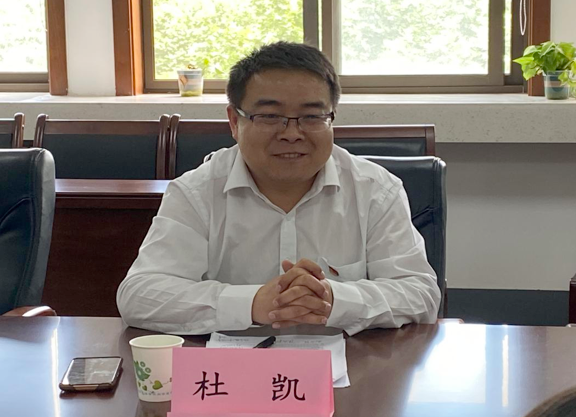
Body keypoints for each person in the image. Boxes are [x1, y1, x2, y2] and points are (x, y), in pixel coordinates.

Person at [117, 41, 440, 336]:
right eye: (270, 116)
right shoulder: (196, 192)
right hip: (231, 371)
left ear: (331, 119)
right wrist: (255, 302)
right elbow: (139, 295)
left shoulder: (376, 190)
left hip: (353, 368)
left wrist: (334, 299)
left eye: (311, 116)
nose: (292, 134)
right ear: (234, 122)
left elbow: (421, 293)